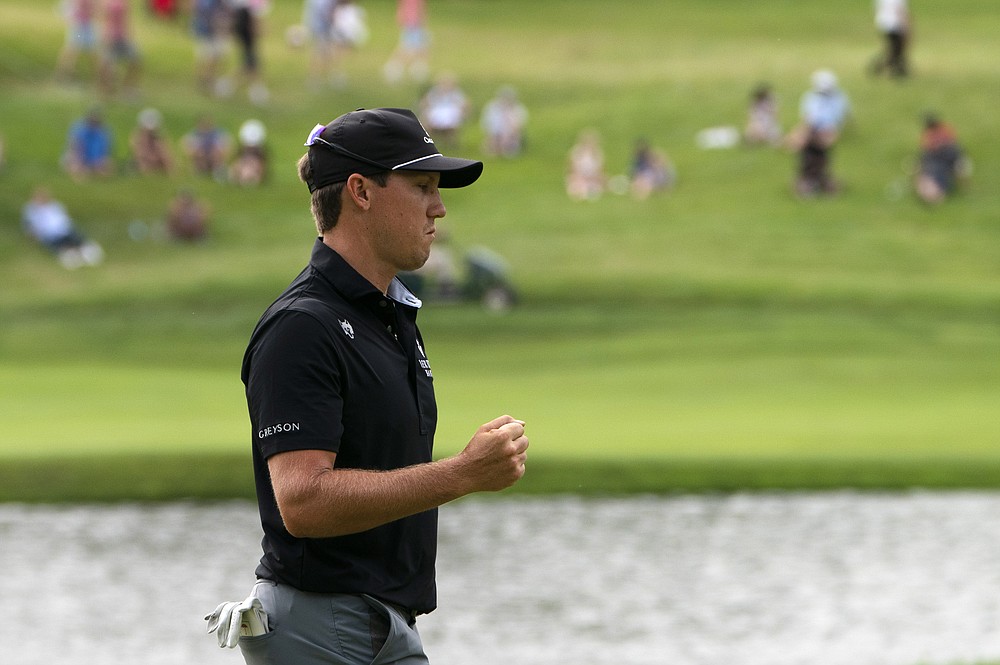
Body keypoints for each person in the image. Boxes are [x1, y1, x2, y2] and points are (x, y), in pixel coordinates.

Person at [216, 107, 528, 665]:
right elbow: (304, 502)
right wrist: (462, 473)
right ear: (360, 191)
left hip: (377, 628)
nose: (439, 206)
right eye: (422, 187)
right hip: (320, 628)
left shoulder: (389, 317)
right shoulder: (303, 326)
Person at [22, 186, 104, 268]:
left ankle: (85, 250)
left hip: (64, 230)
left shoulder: (55, 205)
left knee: (75, 238)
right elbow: (29, 225)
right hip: (49, 234)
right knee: (59, 245)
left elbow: (64, 219)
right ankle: (69, 254)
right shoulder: (31, 210)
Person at [787, 69, 851, 150]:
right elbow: (807, 116)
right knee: (802, 131)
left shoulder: (840, 97)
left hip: (829, 125)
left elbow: (843, 115)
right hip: (812, 122)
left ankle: (812, 144)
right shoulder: (810, 96)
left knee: (828, 136)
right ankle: (795, 143)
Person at [914, 114, 968, 205]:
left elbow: (926, 151)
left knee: (957, 170)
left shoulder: (932, 135)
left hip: (944, 161)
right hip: (946, 160)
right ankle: (963, 187)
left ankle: (936, 193)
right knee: (958, 169)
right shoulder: (944, 131)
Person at [98, 0, 142, 97]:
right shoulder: (106, 2)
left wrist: (130, 33)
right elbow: (102, 18)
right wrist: (104, 36)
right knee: (107, 64)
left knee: (136, 60)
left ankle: (127, 87)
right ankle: (106, 90)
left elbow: (127, 18)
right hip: (110, 36)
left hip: (123, 36)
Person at [230, 0, 270, 105]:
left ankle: (254, 88)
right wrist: (256, 29)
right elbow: (254, 13)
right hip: (246, 26)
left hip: (242, 24)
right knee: (251, 60)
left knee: (249, 61)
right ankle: (255, 90)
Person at [382, 0, 430, 84]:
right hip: (413, 23)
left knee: (419, 47)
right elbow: (420, 7)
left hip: (413, 22)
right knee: (409, 48)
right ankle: (393, 67)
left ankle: (416, 68)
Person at [191, 0, 232, 96]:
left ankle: (207, 80)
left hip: (209, 29)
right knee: (210, 56)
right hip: (209, 30)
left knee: (211, 56)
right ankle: (207, 80)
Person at [419, 72, 470, 149]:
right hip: (436, 113)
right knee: (427, 120)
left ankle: (451, 143)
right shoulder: (434, 92)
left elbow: (464, 104)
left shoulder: (456, 93)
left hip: (450, 114)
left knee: (452, 120)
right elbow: (425, 102)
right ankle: (428, 144)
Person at [63, 107, 115, 180]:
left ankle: (91, 172)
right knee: (76, 168)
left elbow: (105, 151)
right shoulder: (78, 129)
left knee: (108, 167)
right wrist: (80, 163)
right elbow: (75, 149)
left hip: (95, 159)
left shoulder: (104, 131)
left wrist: (99, 162)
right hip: (78, 157)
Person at [55, 0, 100, 84]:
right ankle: (64, 76)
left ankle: (98, 78)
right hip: (79, 24)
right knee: (72, 50)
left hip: (87, 23)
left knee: (92, 52)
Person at [480, 85, 528, 158]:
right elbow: (487, 124)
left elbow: (518, 127)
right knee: (489, 146)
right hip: (495, 134)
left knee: (508, 147)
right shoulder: (492, 107)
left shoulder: (518, 109)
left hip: (511, 135)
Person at [182, 114, 232, 180]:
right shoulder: (195, 134)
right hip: (201, 155)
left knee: (216, 152)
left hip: (214, 155)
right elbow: (185, 144)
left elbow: (228, 143)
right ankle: (200, 169)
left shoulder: (218, 133)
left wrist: (220, 151)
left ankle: (218, 170)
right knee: (199, 153)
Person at [794, 126, 838, 198]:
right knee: (805, 188)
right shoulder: (808, 149)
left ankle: (818, 184)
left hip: (821, 175)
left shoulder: (823, 149)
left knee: (832, 187)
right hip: (808, 176)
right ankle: (806, 185)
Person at [871, 0, 910, 78]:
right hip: (895, 24)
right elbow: (900, 11)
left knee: (893, 48)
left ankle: (897, 67)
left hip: (884, 23)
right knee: (896, 48)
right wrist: (906, 25)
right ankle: (885, 66)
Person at [128, 107, 174, 175]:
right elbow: (138, 154)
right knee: (143, 164)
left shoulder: (159, 138)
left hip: (157, 161)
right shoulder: (137, 138)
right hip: (145, 161)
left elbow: (167, 155)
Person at [565, 129, 605, 201]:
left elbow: (599, 170)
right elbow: (572, 169)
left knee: (598, 185)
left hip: (592, 178)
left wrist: (593, 177)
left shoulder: (597, 154)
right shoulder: (576, 152)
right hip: (579, 177)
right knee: (576, 187)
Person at [229, 118, 268, 186]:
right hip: (244, 167)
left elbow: (262, 166)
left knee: (248, 170)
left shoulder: (260, 152)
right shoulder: (242, 150)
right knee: (238, 167)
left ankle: (247, 180)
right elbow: (236, 160)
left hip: (253, 169)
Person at [744, 82, 781, 146]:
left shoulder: (771, 102)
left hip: (769, 125)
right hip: (758, 124)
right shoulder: (754, 103)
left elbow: (774, 116)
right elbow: (752, 118)